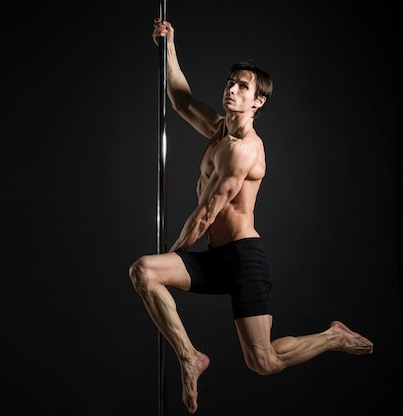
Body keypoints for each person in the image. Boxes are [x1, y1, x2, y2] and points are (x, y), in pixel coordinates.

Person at [128, 18, 374, 414]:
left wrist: (174, 256)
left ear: (258, 101)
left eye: (243, 86)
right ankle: (191, 357)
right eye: (230, 82)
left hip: (244, 261)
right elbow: (182, 100)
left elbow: (207, 213)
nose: (232, 89)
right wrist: (168, 45)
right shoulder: (217, 132)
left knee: (264, 362)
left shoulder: (243, 149)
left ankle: (332, 337)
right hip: (217, 256)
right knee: (143, 271)